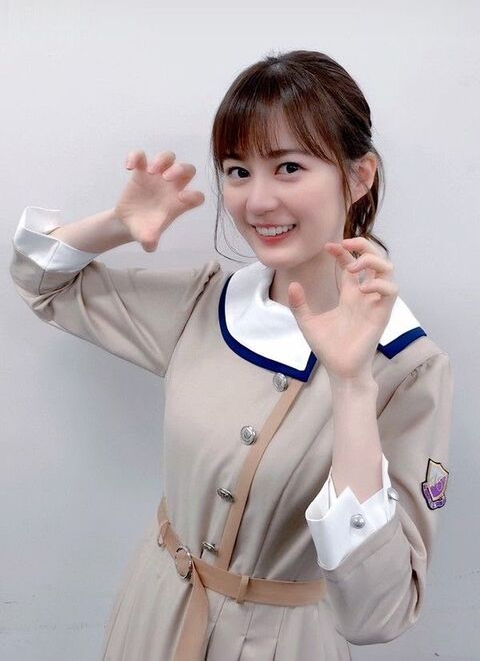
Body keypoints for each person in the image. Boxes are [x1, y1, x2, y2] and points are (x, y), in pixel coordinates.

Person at [9, 49, 453, 660]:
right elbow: (43, 283)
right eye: (238, 171)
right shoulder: (203, 304)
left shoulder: (408, 367)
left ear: (358, 177)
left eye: (289, 167)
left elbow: (380, 613)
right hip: (154, 616)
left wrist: (352, 384)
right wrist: (118, 223)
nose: (257, 201)